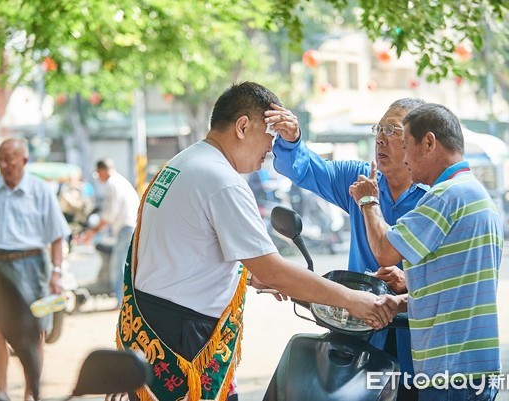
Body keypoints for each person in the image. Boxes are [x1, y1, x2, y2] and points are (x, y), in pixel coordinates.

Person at [115, 81, 397, 401]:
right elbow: (274, 270)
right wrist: (353, 301)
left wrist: (247, 275)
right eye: (270, 136)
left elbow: (184, 250)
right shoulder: (222, 181)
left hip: (152, 330)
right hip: (185, 341)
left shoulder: (182, 163)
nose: (271, 148)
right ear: (243, 126)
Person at [270, 98, 428, 400]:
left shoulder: (433, 196)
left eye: (392, 131)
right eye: (378, 129)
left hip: (416, 329)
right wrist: (292, 140)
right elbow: (307, 170)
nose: (380, 138)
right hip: (358, 324)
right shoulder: (359, 179)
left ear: (417, 142)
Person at [349, 103, 503, 401]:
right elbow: (454, 289)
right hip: (470, 371)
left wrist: (368, 200)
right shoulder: (474, 193)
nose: (403, 157)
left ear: (429, 143)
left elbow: (384, 250)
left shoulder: (446, 196)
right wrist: (403, 298)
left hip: (449, 371)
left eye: (405, 145)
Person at [0, 137, 71, 401]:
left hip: (33, 266)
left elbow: (58, 236)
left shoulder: (40, 190)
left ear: (24, 160)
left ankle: (30, 393)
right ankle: (1, 391)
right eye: (0, 159)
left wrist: (56, 273)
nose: (3, 164)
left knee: (34, 333)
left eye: (9, 159)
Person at [78, 158, 139, 306]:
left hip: (125, 228)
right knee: (124, 266)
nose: (98, 177)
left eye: (98, 173)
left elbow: (108, 215)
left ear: (103, 170)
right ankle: (124, 302)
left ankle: (122, 302)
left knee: (118, 268)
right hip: (129, 227)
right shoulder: (121, 181)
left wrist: (91, 233)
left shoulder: (113, 184)